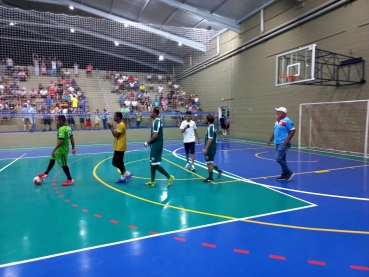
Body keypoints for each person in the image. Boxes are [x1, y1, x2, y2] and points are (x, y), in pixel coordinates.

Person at [37, 115, 76, 186]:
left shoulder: (61, 129)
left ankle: (70, 179)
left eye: (57, 120)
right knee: (52, 159)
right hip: (60, 150)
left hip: (62, 150)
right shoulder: (68, 128)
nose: (56, 121)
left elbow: (61, 140)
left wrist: (54, 149)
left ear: (61, 120)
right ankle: (46, 173)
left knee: (64, 165)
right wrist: (73, 148)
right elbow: (72, 138)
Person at [144, 108, 174, 187]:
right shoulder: (156, 122)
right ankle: (152, 181)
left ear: (155, 113)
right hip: (155, 145)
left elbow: (155, 136)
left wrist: (148, 142)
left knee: (154, 164)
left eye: (151, 112)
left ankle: (169, 177)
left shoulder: (156, 122)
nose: (150, 113)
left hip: (156, 145)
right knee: (152, 163)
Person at [267, 107, 296, 181]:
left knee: (278, 158)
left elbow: (293, 130)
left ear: (282, 113)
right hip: (278, 142)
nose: (276, 113)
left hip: (283, 142)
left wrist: (288, 139)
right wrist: (271, 139)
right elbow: (275, 131)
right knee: (283, 159)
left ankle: (289, 172)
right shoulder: (277, 121)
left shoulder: (287, 120)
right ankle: (284, 174)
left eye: (278, 111)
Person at [107, 112, 132, 183]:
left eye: (115, 116)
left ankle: (128, 173)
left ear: (118, 117)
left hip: (120, 147)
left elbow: (116, 135)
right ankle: (122, 178)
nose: (113, 117)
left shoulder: (121, 125)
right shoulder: (119, 124)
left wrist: (111, 128)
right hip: (119, 146)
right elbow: (115, 134)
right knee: (120, 162)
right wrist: (111, 128)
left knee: (114, 163)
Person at [202, 114, 222, 182]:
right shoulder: (212, 127)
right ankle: (219, 170)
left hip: (210, 148)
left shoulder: (211, 128)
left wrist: (206, 148)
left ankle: (210, 178)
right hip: (212, 148)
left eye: (206, 118)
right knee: (210, 162)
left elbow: (210, 139)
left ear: (207, 120)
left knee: (209, 163)